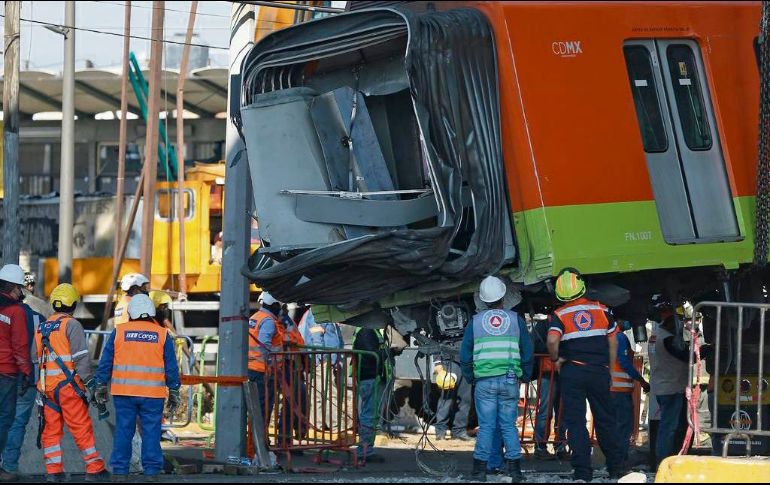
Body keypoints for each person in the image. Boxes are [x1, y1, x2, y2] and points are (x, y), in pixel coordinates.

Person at [546, 268, 625, 482]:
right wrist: (608, 367)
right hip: (599, 370)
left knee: (576, 422)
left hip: (573, 370)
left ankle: (582, 471)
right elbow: (613, 342)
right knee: (606, 420)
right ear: (581, 286)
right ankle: (616, 467)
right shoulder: (601, 309)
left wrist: (556, 359)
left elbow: (552, 341)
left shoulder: (559, 315)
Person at [94, 294, 180, 481]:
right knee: (151, 431)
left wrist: (100, 384)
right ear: (151, 312)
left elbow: (106, 361)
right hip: (152, 394)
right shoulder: (162, 334)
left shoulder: (119, 332)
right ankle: (151, 472)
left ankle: (120, 472)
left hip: (124, 393)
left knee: (124, 430)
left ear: (131, 313)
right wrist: (174, 389)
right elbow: (171, 366)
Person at [460, 275, 533, 482]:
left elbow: (465, 355)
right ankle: (515, 472)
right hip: (510, 380)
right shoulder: (515, 320)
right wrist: (525, 375)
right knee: (508, 426)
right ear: (503, 296)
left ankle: (479, 472)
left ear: (483, 300)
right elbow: (527, 351)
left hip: (484, 381)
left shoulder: (475, 323)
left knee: (487, 427)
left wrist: (470, 377)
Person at [35, 284, 109, 482]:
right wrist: (90, 382)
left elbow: (38, 358)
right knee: (81, 427)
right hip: (68, 388)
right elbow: (80, 358)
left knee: (51, 431)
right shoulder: (72, 325)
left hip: (47, 389)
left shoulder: (42, 326)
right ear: (74, 303)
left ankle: (54, 471)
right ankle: (94, 468)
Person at [1, 290, 46, 477]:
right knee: (17, 422)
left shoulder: (5, 314)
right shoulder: (39, 319)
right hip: (27, 378)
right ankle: (9, 467)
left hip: (7, 373)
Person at [0, 264, 32, 482]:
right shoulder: (16, 311)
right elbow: (20, 347)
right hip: (7, 373)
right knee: (5, 419)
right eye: (20, 288)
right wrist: (27, 373)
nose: (22, 292)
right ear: (13, 287)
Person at [648, 305, 690, 469]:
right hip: (671, 387)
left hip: (662, 385)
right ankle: (663, 462)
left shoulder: (655, 336)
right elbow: (684, 356)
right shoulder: (667, 339)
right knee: (668, 428)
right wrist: (704, 350)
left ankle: (663, 460)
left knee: (667, 426)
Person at [298, 308, 345, 431]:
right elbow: (316, 338)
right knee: (322, 394)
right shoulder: (316, 312)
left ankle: (328, 425)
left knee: (329, 394)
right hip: (323, 360)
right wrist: (319, 360)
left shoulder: (329, 313)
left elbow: (337, 338)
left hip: (331, 360)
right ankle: (323, 426)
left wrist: (338, 359)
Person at [611, 320, 650, 464]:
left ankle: (614, 458)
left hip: (610, 389)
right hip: (619, 390)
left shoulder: (607, 336)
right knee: (623, 426)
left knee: (615, 425)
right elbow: (623, 361)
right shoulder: (619, 337)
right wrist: (641, 380)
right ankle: (620, 459)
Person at [530, 315, 568, 460]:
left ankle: (559, 444)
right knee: (546, 410)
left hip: (560, 371)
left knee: (561, 411)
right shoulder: (542, 325)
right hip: (547, 372)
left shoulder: (561, 322)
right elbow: (536, 344)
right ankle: (540, 445)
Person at [352, 327, 388, 463]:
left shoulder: (370, 330)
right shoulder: (366, 331)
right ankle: (365, 451)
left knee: (371, 415)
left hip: (371, 378)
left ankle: (366, 450)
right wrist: (389, 351)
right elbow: (371, 354)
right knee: (369, 415)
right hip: (370, 378)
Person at [247, 292, 285, 420]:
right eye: (280, 306)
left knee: (253, 407)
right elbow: (264, 345)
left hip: (252, 368)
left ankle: (254, 437)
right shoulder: (268, 321)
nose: (281, 309)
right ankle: (260, 438)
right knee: (263, 408)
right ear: (274, 305)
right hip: (263, 372)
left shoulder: (255, 317)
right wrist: (270, 366)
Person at [433, 352, 472, 442]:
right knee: (447, 398)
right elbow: (436, 339)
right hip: (449, 359)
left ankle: (459, 432)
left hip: (467, 361)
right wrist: (437, 362)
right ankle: (440, 431)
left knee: (465, 398)